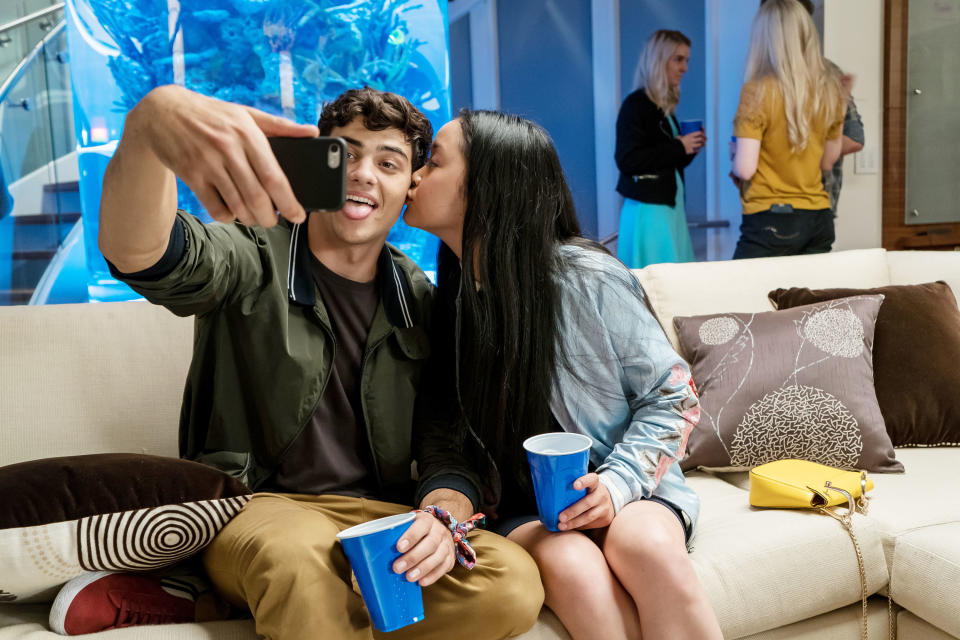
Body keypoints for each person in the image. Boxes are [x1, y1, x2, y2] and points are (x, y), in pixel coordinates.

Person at [49, 86, 543, 639]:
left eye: (388, 162)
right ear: (315, 169)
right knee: (300, 568)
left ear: (410, 188)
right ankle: (272, 598)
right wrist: (147, 134)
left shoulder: (419, 298)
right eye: (345, 155)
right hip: (257, 509)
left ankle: (221, 607)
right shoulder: (252, 254)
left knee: (513, 582)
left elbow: (445, 447)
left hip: (377, 517)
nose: (363, 174)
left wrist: (440, 515)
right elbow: (142, 255)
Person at [405, 110, 723, 640]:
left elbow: (676, 398)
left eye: (433, 162)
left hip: (632, 490)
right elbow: (447, 439)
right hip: (528, 512)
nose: (415, 176)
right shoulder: (452, 304)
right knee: (574, 567)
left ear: (488, 187)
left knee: (641, 545)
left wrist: (618, 485)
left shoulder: (586, 279)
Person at [730, 0, 846, 259]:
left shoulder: (757, 91)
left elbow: (745, 168)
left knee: (739, 294)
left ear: (765, 37)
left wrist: (736, 151)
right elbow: (827, 162)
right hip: (819, 217)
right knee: (806, 298)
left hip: (772, 219)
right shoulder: (830, 89)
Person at [759, 0, 866, 213]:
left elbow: (854, 138)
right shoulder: (761, 79)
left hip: (817, 203)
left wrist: (798, 153)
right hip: (767, 207)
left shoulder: (829, 75)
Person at [615, 30, 705, 269]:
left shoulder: (663, 107)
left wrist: (688, 149)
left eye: (686, 60)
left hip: (667, 209)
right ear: (658, 60)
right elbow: (627, 160)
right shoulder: (636, 105)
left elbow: (667, 161)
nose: (685, 68)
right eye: (679, 59)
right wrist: (679, 146)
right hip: (649, 212)